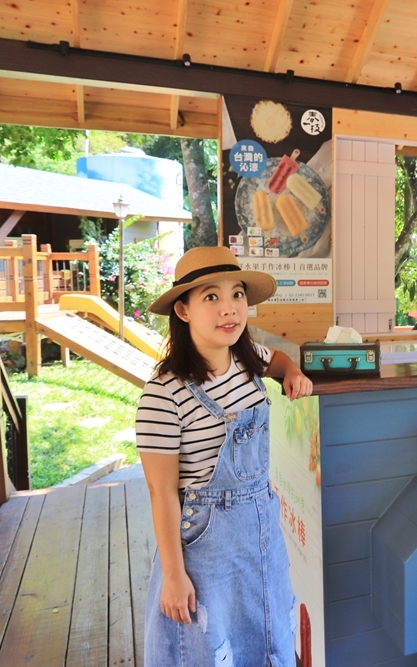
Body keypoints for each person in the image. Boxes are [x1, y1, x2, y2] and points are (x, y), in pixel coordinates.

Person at [135, 246, 312, 666]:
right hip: (206, 544)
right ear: (183, 310)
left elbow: (280, 359)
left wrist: (293, 374)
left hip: (262, 529)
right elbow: (162, 493)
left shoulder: (248, 360)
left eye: (237, 295)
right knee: (212, 648)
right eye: (211, 297)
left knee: (267, 636)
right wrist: (175, 576)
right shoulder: (163, 392)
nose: (229, 309)